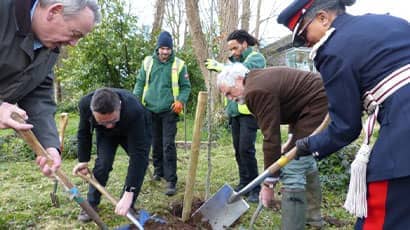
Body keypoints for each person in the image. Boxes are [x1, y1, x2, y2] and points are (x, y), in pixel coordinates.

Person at [277, 0, 410, 229]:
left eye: (303, 35)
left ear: (322, 18)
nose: (306, 44)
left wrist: (308, 144)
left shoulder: (333, 51)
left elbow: (346, 129)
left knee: (379, 217)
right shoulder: (391, 22)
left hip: (404, 138)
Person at [217, 63, 327, 229]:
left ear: (239, 80)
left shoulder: (255, 91)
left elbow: (270, 136)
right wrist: (291, 139)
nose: (230, 98)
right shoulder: (256, 80)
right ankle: (313, 218)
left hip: (319, 102)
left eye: (229, 93)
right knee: (301, 156)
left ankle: (295, 225)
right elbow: (295, 104)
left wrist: (269, 183)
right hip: (315, 101)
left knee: (293, 164)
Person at [0, 0, 100, 176]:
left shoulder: (48, 49)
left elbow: (37, 95)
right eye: (74, 33)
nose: (74, 44)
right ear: (54, 11)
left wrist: (49, 145)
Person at [205, 30, 266, 202]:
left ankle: (255, 187)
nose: (232, 52)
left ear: (244, 44)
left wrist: (221, 67)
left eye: (235, 48)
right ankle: (244, 182)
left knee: (247, 149)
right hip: (235, 113)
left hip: (249, 113)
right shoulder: (232, 62)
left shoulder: (256, 58)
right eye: (230, 49)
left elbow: (244, 74)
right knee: (238, 151)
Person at [73, 88, 151, 222]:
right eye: (103, 121)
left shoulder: (134, 110)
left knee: (140, 162)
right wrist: (83, 160)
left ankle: (128, 204)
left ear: (119, 106)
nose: (109, 125)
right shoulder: (85, 104)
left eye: (113, 120)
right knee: (103, 164)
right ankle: (91, 204)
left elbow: (139, 155)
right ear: (92, 112)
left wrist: (129, 192)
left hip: (132, 131)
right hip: (105, 136)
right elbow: (84, 132)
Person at [133, 31, 191, 196]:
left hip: (169, 111)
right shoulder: (148, 62)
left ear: (172, 49)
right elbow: (140, 82)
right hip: (149, 109)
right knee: (155, 143)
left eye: (168, 49)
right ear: (158, 48)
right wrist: (135, 101)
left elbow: (186, 87)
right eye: (162, 48)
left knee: (168, 145)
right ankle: (159, 171)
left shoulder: (179, 65)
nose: (165, 52)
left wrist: (180, 100)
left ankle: (171, 179)